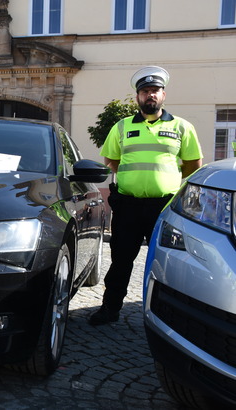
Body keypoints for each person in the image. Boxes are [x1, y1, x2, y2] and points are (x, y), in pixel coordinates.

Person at [89, 66, 203, 326]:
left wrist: (164, 180)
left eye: (155, 91)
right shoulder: (122, 127)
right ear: (138, 96)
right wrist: (137, 180)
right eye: (145, 91)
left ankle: (168, 314)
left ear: (163, 95)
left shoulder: (182, 127)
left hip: (164, 208)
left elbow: (193, 164)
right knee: (120, 260)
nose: (150, 95)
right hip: (128, 206)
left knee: (167, 262)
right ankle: (110, 308)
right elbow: (112, 160)